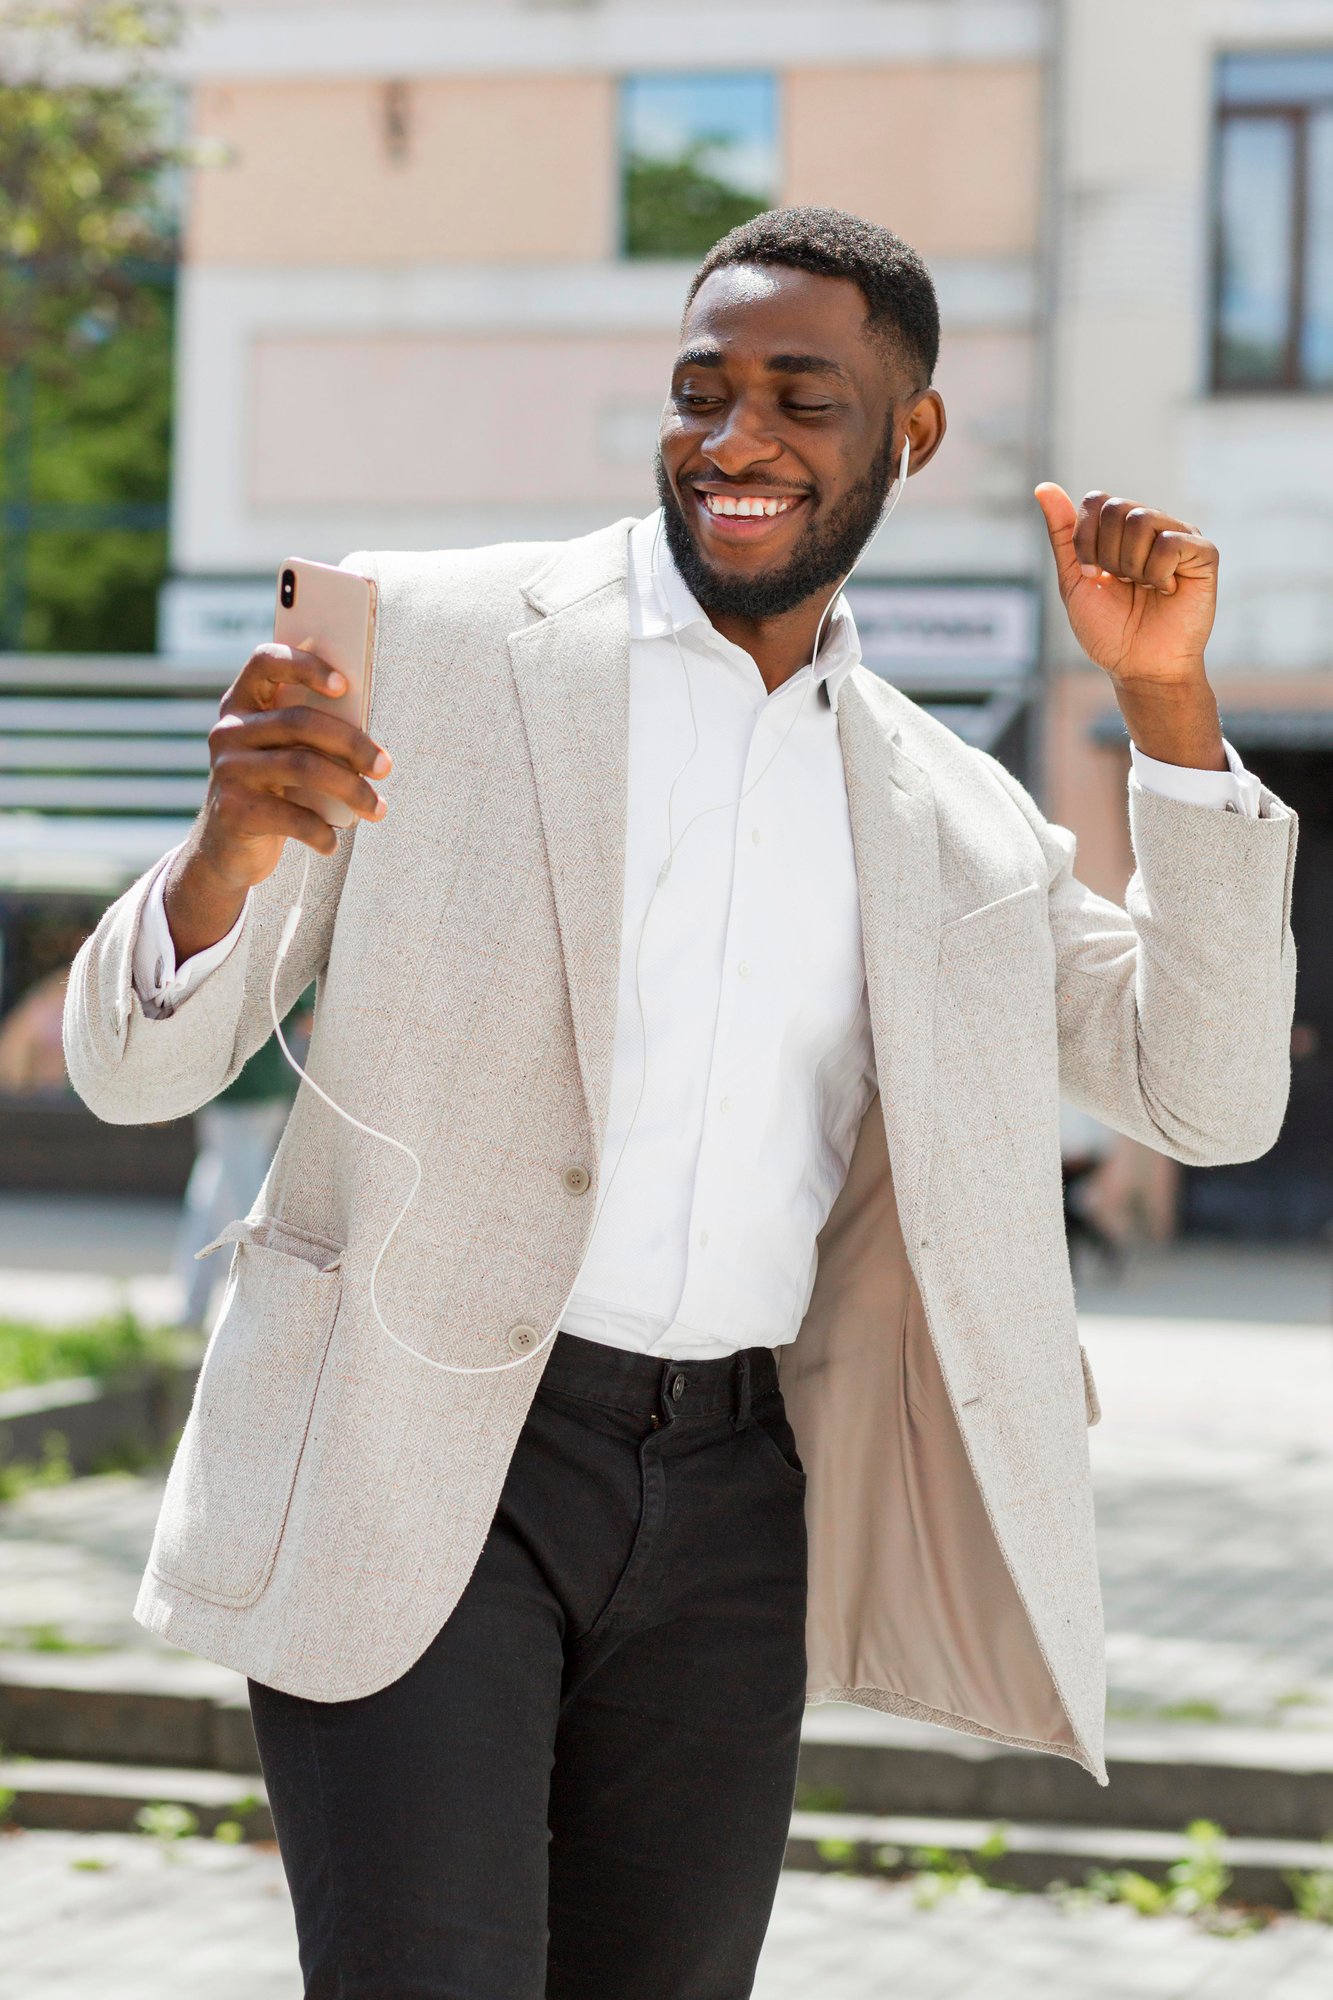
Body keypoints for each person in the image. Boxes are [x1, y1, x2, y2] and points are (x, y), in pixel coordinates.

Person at [62, 208, 1296, 2000]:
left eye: (802, 397)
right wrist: (222, 857)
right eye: (701, 391)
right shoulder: (429, 641)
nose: (735, 440)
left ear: (911, 437)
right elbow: (134, 1064)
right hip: (419, 1445)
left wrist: (1169, 714)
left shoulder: (943, 812)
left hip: (737, 1499)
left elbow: (1207, 1096)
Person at [170, 990, 314, 1328]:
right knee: (217, 1188)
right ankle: (193, 1305)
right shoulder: (279, 951)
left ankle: (262, 1305)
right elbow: (306, 1016)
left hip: (235, 1092)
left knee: (244, 1201)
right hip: (263, 1089)